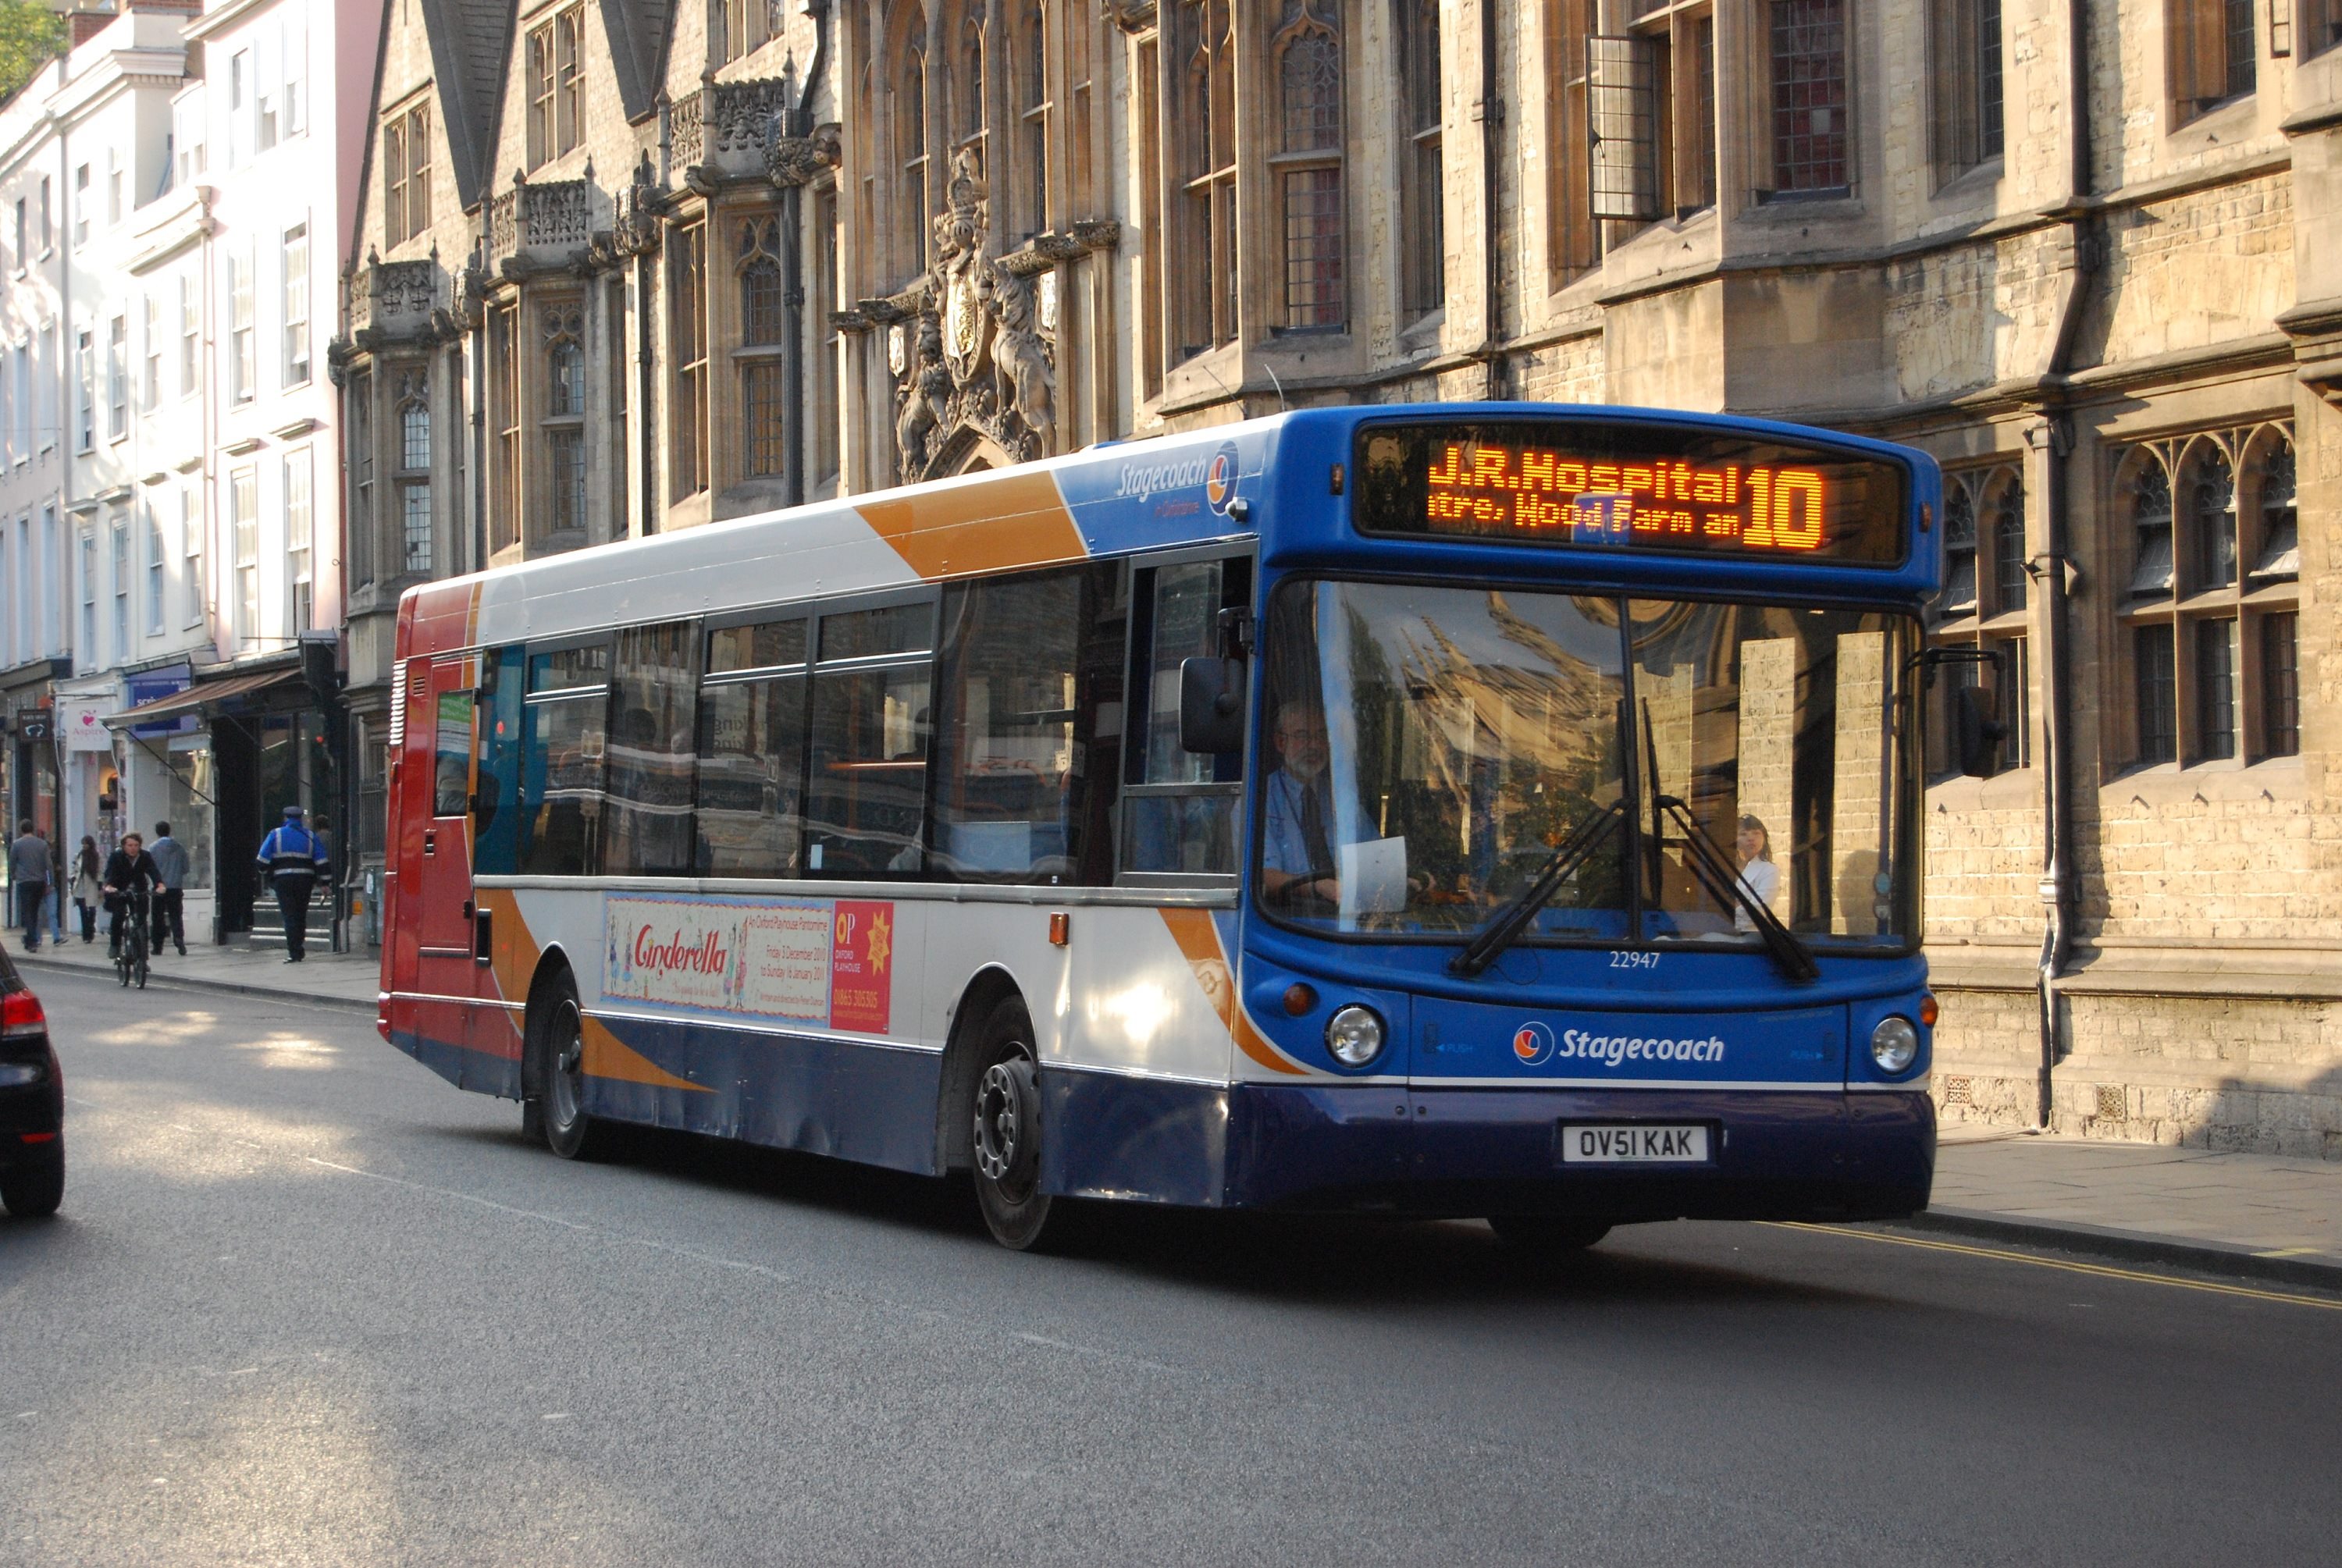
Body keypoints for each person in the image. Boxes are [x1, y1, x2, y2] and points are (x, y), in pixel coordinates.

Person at [1260, 702, 1341, 908]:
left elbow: (1372, 853)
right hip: (1288, 918)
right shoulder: (1261, 799)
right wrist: (1316, 886)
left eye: (1322, 736)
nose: (1315, 746)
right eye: (1303, 736)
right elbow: (1263, 875)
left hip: (1345, 916)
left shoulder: (1340, 796)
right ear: (1280, 743)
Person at [255, 805, 329, 963]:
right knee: (301, 915)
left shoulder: (276, 834)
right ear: (301, 819)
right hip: (305, 881)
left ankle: (293, 952)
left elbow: (261, 860)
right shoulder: (310, 836)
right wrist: (325, 883)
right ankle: (299, 948)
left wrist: (267, 875)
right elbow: (322, 861)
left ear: (285, 818)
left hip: (283, 881)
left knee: (289, 916)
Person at [101, 832, 163, 960]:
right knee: (118, 916)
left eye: (136, 845)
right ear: (123, 846)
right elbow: (110, 873)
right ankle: (115, 945)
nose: (133, 848)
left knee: (141, 922)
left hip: (139, 891)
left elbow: (153, 871)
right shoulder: (116, 856)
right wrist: (109, 886)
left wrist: (159, 884)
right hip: (120, 891)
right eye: (129, 845)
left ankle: (142, 957)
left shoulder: (145, 856)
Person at [148, 821, 189, 957]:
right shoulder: (179, 847)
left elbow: (148, 868)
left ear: (157, 832)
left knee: (157, 917)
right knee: (176, 916)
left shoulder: (152, 849)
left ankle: (157, 946)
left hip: (159, 887)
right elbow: (185, 868)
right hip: (176, 887)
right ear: (169, 831)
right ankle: (179, 940)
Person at [8, 820, 49, 952]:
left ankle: (31, 940)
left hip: (24, 881)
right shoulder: (42, 844)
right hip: (39, 881)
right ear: (33, 829)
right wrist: (49, 882)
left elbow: (12, 862)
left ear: (22, 830)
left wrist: (13, 875)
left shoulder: (17, 844)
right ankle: (32, 938)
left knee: (28, 912)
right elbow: (48, 865)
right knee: (35, 910)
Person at [1733, 815, 1779, 933]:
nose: (1751, 838)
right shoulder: (1725, 866)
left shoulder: (1769, 870)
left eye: (1756, 833)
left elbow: (1758, 909)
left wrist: (1728, 916)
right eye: (1743, 834)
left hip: (1749, 937)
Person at [70, 837, 102, 943]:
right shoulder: (79, 855)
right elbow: (74, 869)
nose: (84, 846)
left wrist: (100, 886)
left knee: (92, 911)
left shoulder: (96, 856)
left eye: (86, 844)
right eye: (83, 844)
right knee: (83, 911)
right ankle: (86, 935)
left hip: (92, 886)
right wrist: (72, 879)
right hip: (79, 886)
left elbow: (100, 872)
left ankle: (90, 930)